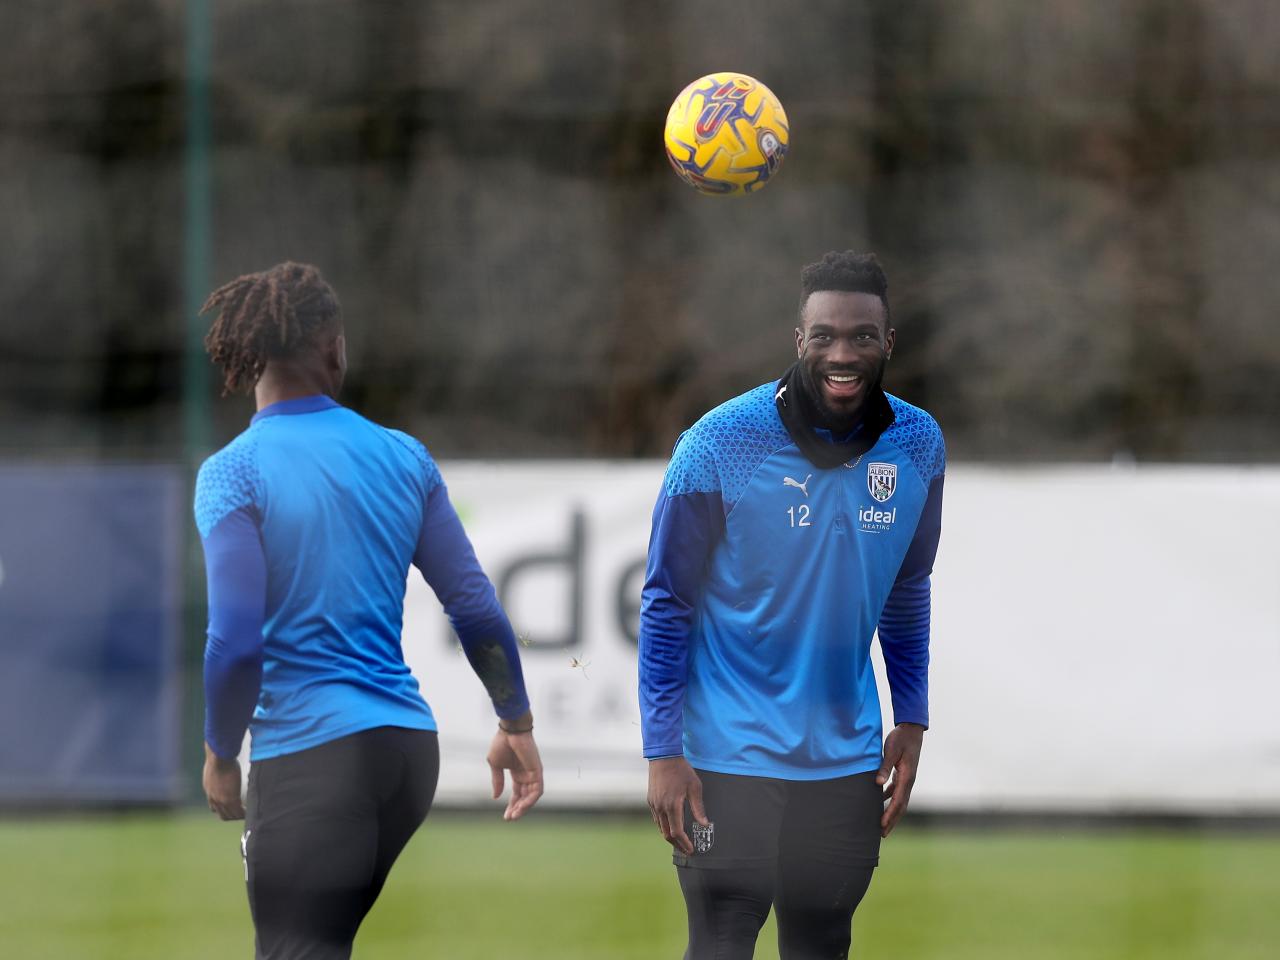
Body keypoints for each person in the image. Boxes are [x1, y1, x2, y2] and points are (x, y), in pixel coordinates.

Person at [194, 261, 543, 960]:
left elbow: (235, 643)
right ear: (334, 349)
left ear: (249, 356)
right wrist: (516, 721)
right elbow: (474, 607)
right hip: (405, 755)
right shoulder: (403, 456)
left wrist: (220, 753)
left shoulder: (233, 472)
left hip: (311, 758)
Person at [639, 251, 945, 958]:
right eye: (825, 336)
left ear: (888, 342)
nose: (843, 354)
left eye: (862, 336)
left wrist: (912, 717)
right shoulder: (718, 442)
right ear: (798, 339)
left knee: (821, 946)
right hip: (727, 760)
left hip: (845, 764)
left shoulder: (919, 444)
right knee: (720, 943)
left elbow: (908, 585)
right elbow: (666, 602)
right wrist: (662, 751)